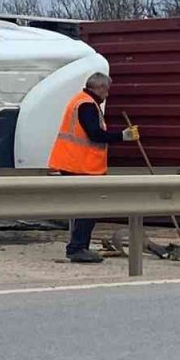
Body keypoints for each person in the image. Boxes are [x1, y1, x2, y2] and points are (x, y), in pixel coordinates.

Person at [48, 72, 140, 263]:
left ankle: (79, 246)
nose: (107, 95)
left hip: (76, 163)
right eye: (107, 90)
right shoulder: (87, 105)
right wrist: (122, 136)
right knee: (89, 207)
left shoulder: (81, 101)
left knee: (85, 207)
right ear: (100, 88)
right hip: (80, 165)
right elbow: (95, 134)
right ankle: (78, 248)